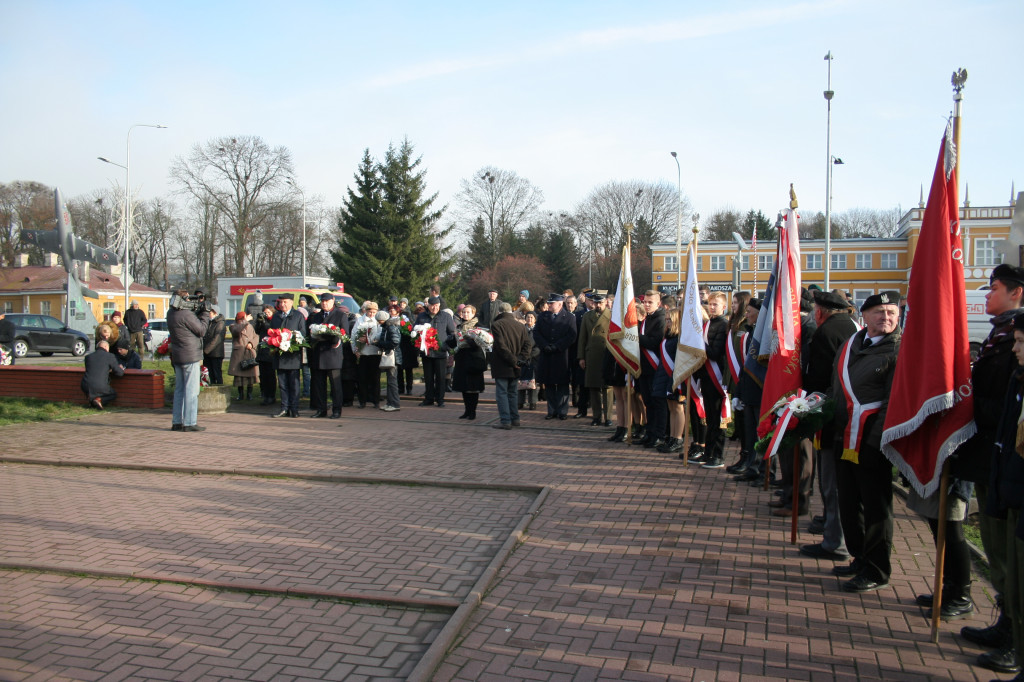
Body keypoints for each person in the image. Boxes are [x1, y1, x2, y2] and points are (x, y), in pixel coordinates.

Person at [955, 263, 1024, 673]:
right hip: (992, 455)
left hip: (1004, 454)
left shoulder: (1010, 335)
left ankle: (1015, 636)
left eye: (994, 288)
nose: (987, 295)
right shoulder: (1001, 335)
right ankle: (1006, 621)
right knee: (999, 552)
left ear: (1017, 293)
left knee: (1011, 558)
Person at [830, 290, 901, 593]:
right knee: (849, 501)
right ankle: (859, 556)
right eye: (879, 312)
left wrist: (876, 440)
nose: (885, 318)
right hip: (844, 436)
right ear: (864, 315)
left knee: (876, 508)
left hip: (873, 442)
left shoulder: (898, 350)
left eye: (891, 314)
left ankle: (877, 568)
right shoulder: (852, 345)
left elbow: (893, 402)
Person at [798, 289, 858, 562]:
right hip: (850, 416)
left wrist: (806, 405)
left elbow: (819, 376)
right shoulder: (853, 328)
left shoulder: (825, 333)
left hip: (831, 415)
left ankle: (835, 541)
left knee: (832, 482)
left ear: (820, 312)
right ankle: (836, 532)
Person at [989, 311, 1024, 678]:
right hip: (1009, 486)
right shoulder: (1018, 376)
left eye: (1020, 342)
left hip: (1016, 489)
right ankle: (1009, 630)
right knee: (1011, 576)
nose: (1015, 349)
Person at [694, 292, 730, 468]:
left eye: (716, 304)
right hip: (706, 377)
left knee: (717, 419)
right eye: (710, 304)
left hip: (717, 377)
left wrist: (699, 343)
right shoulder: (708, 324)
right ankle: (708, 452)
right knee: (709, 418)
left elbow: (715, 353)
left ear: (724, 306)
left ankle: (717, 454)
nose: (712, 307)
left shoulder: (723, 324)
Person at [167, 290, 212, 431]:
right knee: (192, 391)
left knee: (179, 390)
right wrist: (205, 313)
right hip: (190, 355)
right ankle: (190, 422)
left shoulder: (171, 313)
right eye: (187, 298)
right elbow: (201, 330)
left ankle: (177, 421)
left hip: (178, 355)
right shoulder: (185, 314)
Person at [534, 293, 577, 420]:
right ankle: (551, 410)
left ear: (559, 304)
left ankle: (562, 411)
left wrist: (557, 346)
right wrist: (544, 345)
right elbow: (536, 333)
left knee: (563, 385)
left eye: (551, 303)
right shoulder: (543, 316)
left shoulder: (569, 317)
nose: (549, 305)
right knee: (549, 384)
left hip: (562, 355)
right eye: (549, 303)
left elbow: (572, 335)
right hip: (547, 355)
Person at [307, 293, 349, 418]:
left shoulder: (340, 315)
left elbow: (344, 334)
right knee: (319, 385)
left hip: (332, 355)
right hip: (318, 355)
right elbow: (310, 331)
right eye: (322, 301)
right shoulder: (316, 316)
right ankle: (321, 409)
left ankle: (336, 410)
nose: (324, 303)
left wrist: (328, 336)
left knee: (335, 386)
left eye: (327, 301)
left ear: (333, 301)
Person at [490, 302, 532, 429]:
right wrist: (520, 360)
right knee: (512, 392)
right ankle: (515, 419)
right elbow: (527, 345)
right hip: (516, 365)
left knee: (502, 393)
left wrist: (514, 361)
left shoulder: (497, 325)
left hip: (503, 364)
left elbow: (501, 346)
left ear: (499, 312)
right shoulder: (521, 326)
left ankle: (506, 421)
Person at [636, 290, 668, 448]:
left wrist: (635, 335)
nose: (646, 305)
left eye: (650, 302)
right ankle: (649, 432)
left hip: (656, 367)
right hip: (644, 367)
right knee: (648, 401)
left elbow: (654, 342)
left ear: (658, 303)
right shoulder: (646, 319)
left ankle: (659, 435)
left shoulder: (661, 319)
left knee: (657, 403)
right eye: (645, 302)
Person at [578, 293, 613, 427]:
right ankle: (596, 416)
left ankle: (608, 417)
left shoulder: (611, 316)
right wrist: (581, 356)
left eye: (601, 303)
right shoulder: (587, 316)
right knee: (594, 388)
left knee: (607, 388)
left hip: (606, 354)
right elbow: (582, 338)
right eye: (596, 303)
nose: (598, 305)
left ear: (606, 302)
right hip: (591, 355)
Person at [416, 296, 456, 407]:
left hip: (440, 352)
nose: (435, 308)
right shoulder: (422, 316)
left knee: (440, 377)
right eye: (432, 306)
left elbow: (452, 333)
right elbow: (415, 330)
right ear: (428, 306)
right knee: (428, 377)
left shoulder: (446, 316)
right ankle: (429, 398)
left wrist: (446, 347)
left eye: (437, 306)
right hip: (427, 352)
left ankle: (440, 399)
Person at [449, 304, 486, 420]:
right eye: (464, 312)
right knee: (464, 387)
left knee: (473, 388)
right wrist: (450, 341)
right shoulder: (459, 326)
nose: (465, 314)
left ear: (473, 314)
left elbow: (482, 342)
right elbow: (455, 342)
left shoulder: (478, 326)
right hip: (462, 359)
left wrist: (469, 340)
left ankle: (473, 411)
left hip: (474, 359)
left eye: (468, 312)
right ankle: (466, 411)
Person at [271, 293, 305, 418]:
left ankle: (294, 408)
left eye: (285, 302)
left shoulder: (297, 316)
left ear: (291, 302)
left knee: (294, 384)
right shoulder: (276, 317)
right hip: (279, 356)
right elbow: (271, 334)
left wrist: (293, 342)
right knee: (282, 384)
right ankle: (284, 408)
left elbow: (303, 335)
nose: (282, 304)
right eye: (280, 302)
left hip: (292, 356)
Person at [352, 300, 383, 409]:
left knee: (375, 378)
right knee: (362, 378)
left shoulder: (378, 321)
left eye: (374, 312)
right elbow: (353, 334)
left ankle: (376, 400)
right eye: (370, 312)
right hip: (363, 353)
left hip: (374, 352)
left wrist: (369, 339)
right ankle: (362, 401)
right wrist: (355, 349)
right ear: (366, 311)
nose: (372, 314)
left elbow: (380, 335)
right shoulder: (360, 320)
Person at [80, 339, 123, 409]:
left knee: (94, 391)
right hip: (100, 386)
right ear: (106, 347)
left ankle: (92, 402)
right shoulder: (110, 356)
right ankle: (99, 400)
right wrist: (120, 368)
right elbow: (119, 373)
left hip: (85, 385)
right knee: (113, 394)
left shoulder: (88, 357)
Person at [228, 311, 259, 401]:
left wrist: (251, 344)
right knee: (239, 376)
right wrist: (245, 321)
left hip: (249, 352)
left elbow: (256, 336)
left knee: (250, 374)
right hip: (239, 354)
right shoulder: (233, 326)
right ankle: (240, 394)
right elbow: (237, 331)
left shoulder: (250, 326)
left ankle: (249, 394)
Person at [376, 308, 402, 412]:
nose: (378, 322)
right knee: (390, 381)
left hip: (393, 356)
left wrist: (380, 343)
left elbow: (395, 341)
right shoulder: (387, 327)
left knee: (392, 381)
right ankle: (390, 402)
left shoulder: (390, 327)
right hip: (392, 355)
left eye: (379, 320)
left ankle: (395, 403)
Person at [253, 304, 278, 405]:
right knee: (263, 376)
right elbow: (257, 331)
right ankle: (265, 395)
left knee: (270, 375)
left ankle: (271, 396)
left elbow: (271, 331)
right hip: (262, 351)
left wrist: (264, 323)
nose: (267, 315)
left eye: (268, 312)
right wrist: (259, 322)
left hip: (270, 351)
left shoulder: (274, 320)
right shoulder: (262, 321)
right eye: (265, 313)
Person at [203, 306, 226, 385]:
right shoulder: (210, 322)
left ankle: (219, 389)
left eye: (210, 313)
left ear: (215, 313)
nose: (208, 315)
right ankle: (211, 385)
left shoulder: (220, 323)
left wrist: (206, 350)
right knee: (210, 373)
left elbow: (217, 338)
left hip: (216, 353)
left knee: (217, 373)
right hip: (208, 353)